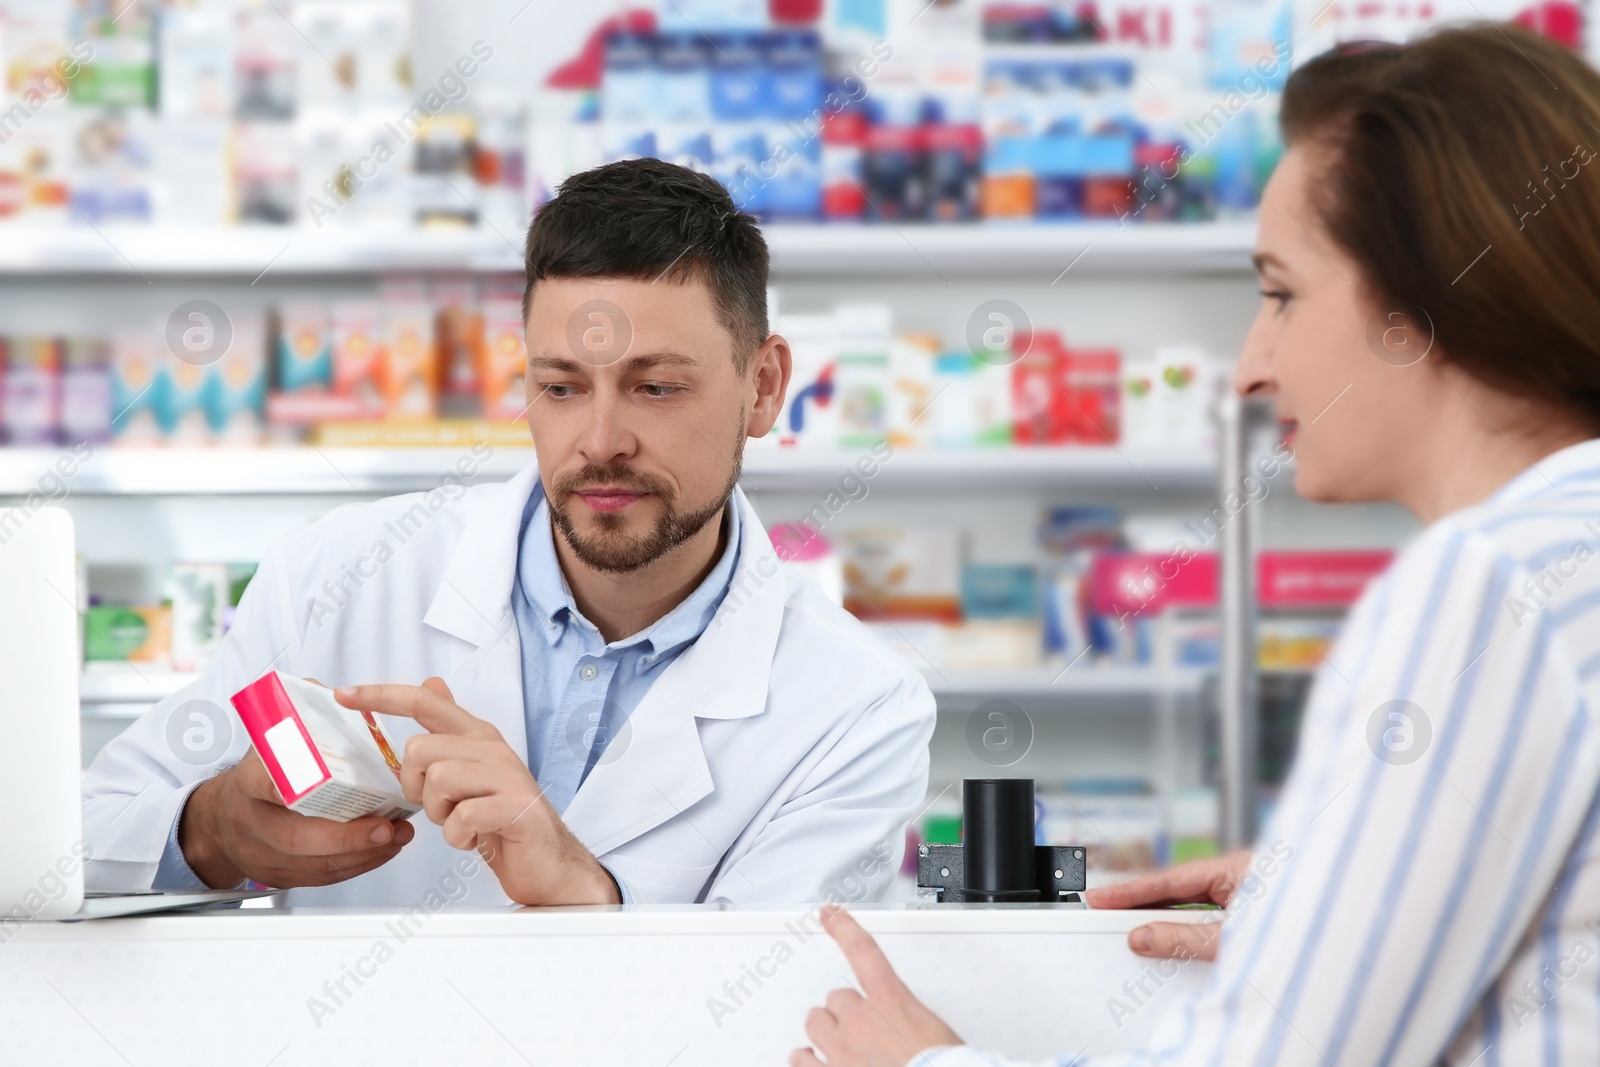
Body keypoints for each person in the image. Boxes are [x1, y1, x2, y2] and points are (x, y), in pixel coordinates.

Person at [792, 23, 1600, 1067]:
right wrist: (1341, 899)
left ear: (1425, 299)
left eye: (1279, 293)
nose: (1250, 367)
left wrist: (922, 1062)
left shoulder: (1487, 583)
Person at [81, 158, 935, 907]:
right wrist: (209, 833)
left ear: (763, 385)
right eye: (562, 388)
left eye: (657, 388)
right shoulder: (335, 577)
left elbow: (781, 1011)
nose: (600, 441)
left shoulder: (856, 708)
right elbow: (64, 837)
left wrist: (588, 891)